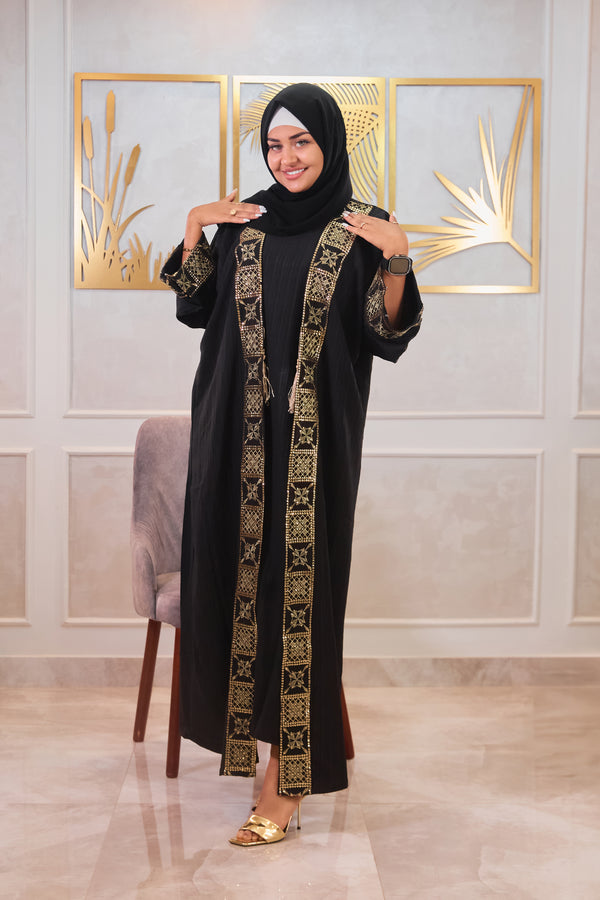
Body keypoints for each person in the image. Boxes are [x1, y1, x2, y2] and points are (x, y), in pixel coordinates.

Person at [160, 82, 422, 846]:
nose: (287, 157)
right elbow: (192, 305)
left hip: (314, 442)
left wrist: (399, 256)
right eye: (275, 144)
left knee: (299, 592)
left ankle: (285, 782)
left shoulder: (359, 229)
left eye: (301, 141)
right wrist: (195, 228)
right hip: (229, 435)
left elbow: (387, 332)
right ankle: (250, 748)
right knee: (237, 583)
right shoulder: (245, 223)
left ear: (331, 144)